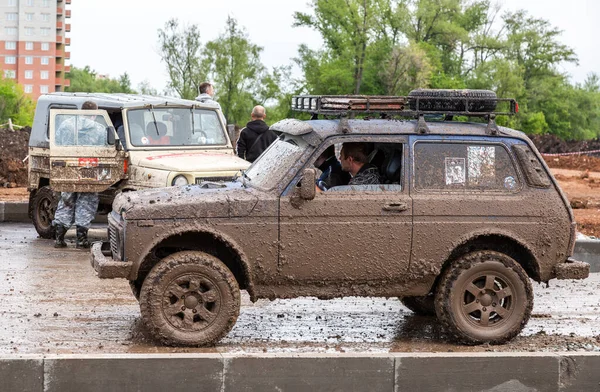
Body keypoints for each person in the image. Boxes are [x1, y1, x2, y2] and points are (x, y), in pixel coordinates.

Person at [52, 100, 105, 249]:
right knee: (86, 203)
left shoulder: (66, 125)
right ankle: (81, 240)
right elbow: (104, 151)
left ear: (81, 111)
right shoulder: (100, 129)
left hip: (68, 169)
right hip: (89, 169)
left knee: (66, 201)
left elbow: (57, 143)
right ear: (94, 114)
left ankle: (59, 238)